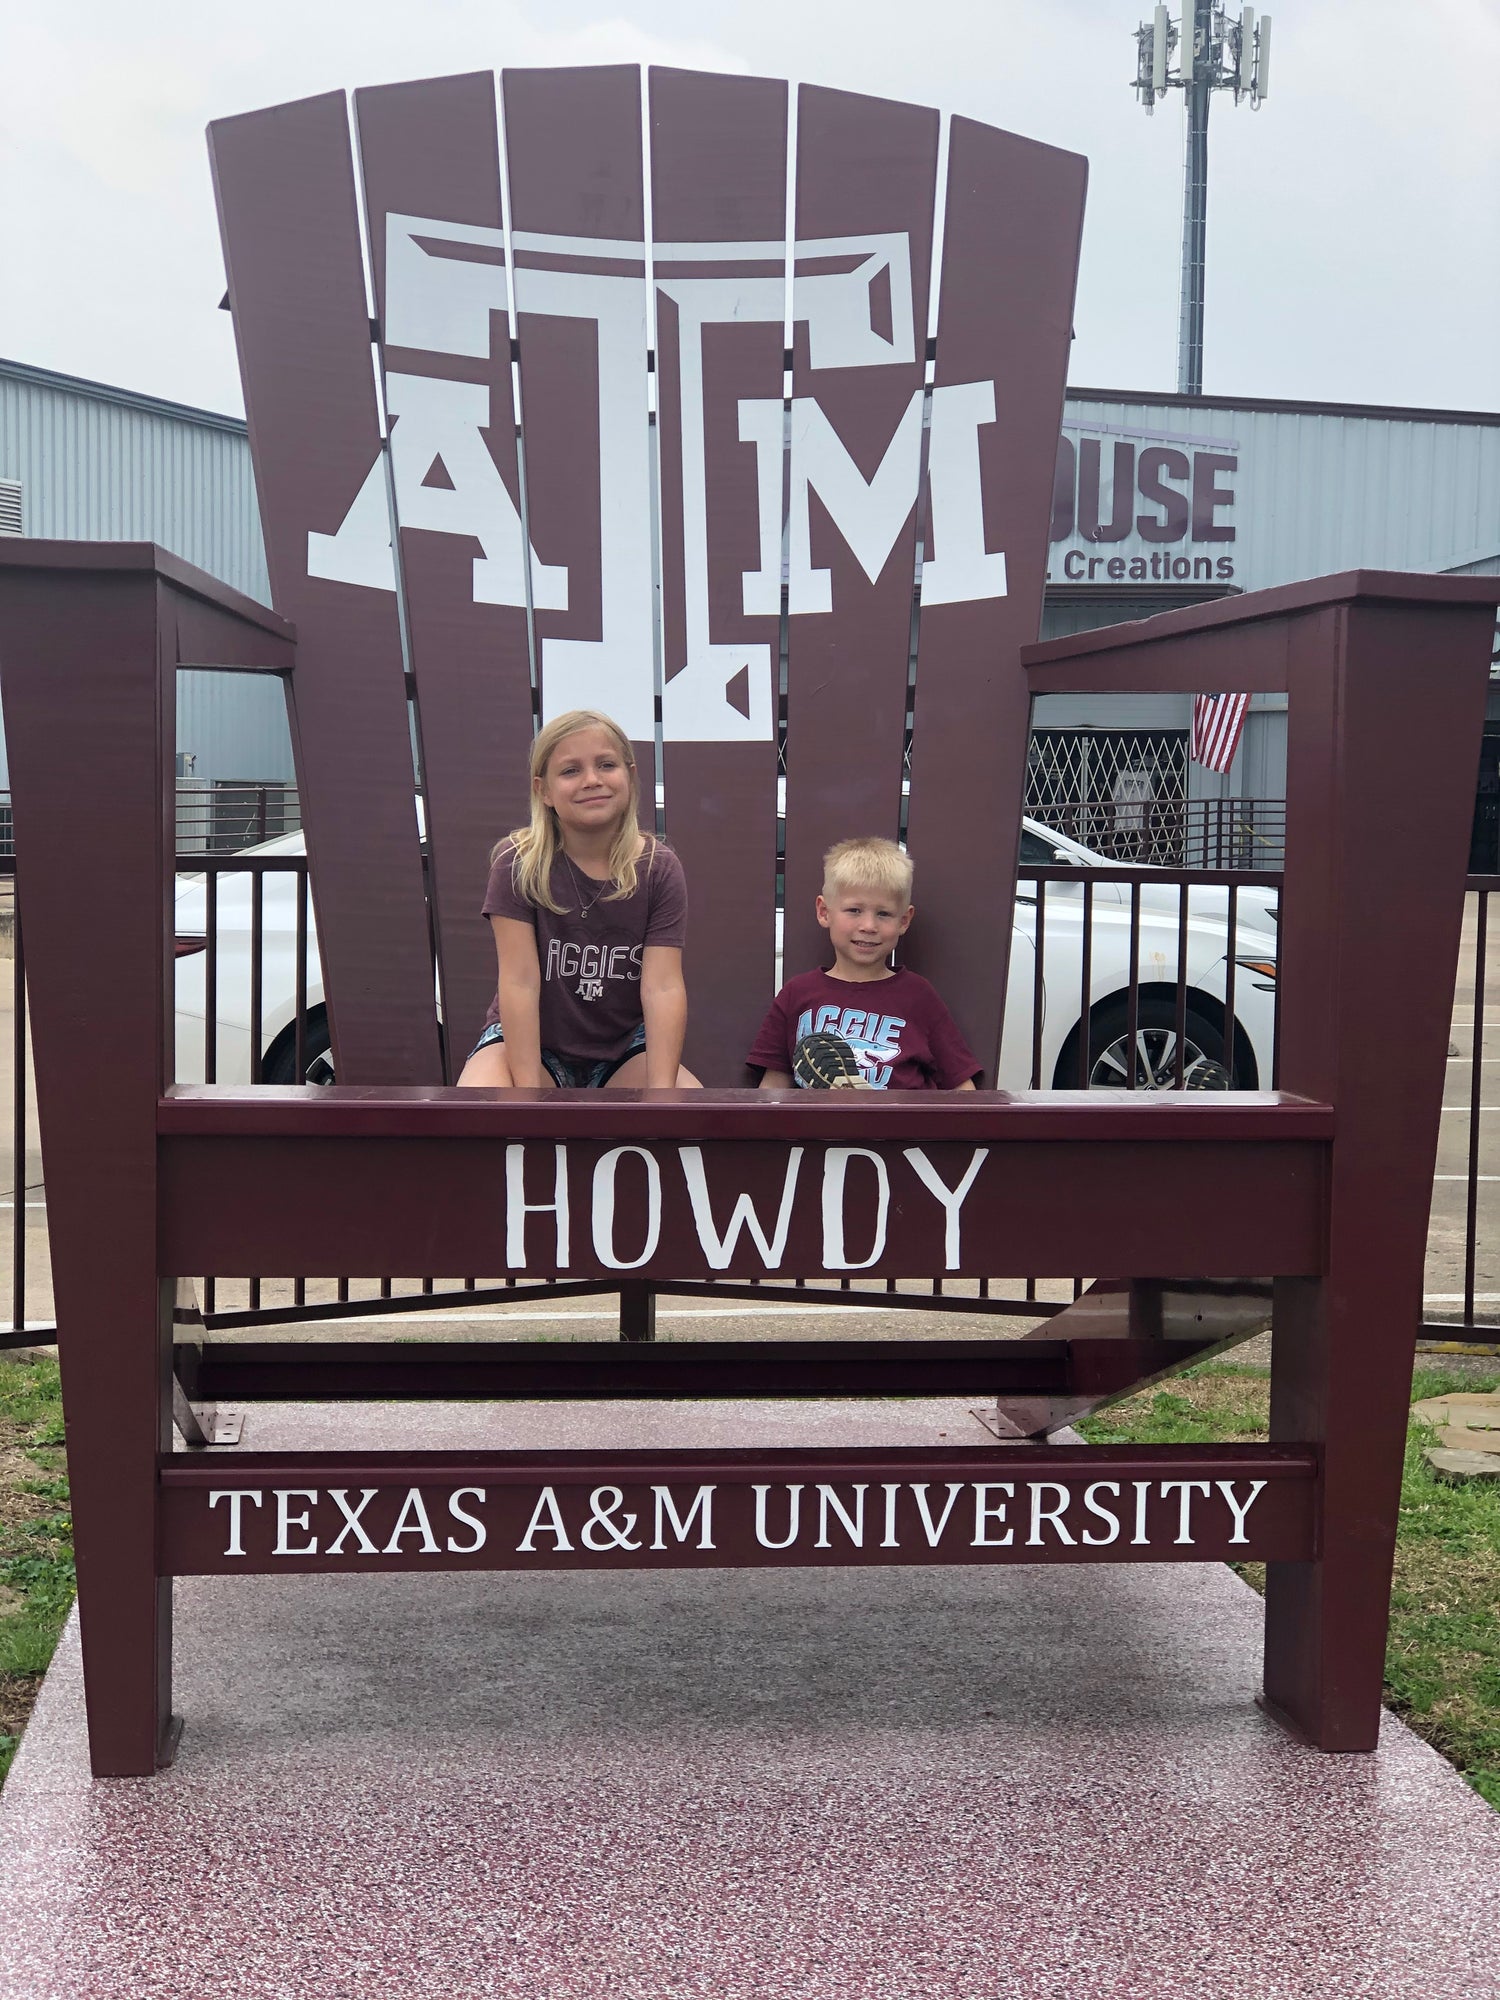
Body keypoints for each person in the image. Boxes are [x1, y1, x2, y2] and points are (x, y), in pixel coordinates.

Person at [457, 709, 699, 1089]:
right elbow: (519, 981)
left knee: (687, 1105)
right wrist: (528, 1090)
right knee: (483, 1104)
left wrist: (662, 1094)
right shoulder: (518, 863)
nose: (592, 780)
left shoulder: (657, 869)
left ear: (630, 776)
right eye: (570, 771)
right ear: (544, 791)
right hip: (530, 1043)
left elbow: (662, 987)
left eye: (606, 765)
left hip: (623, 1048)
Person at [747, 837, 980, 1091]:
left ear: (904, 920)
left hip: (900, 1129)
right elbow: (774, 1087)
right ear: (824, 912)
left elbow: (962, 1087)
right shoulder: (797, 994)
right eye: (854, 910)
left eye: (884, 914)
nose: (869, 926)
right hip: (816, 1129)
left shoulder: (919, 996)